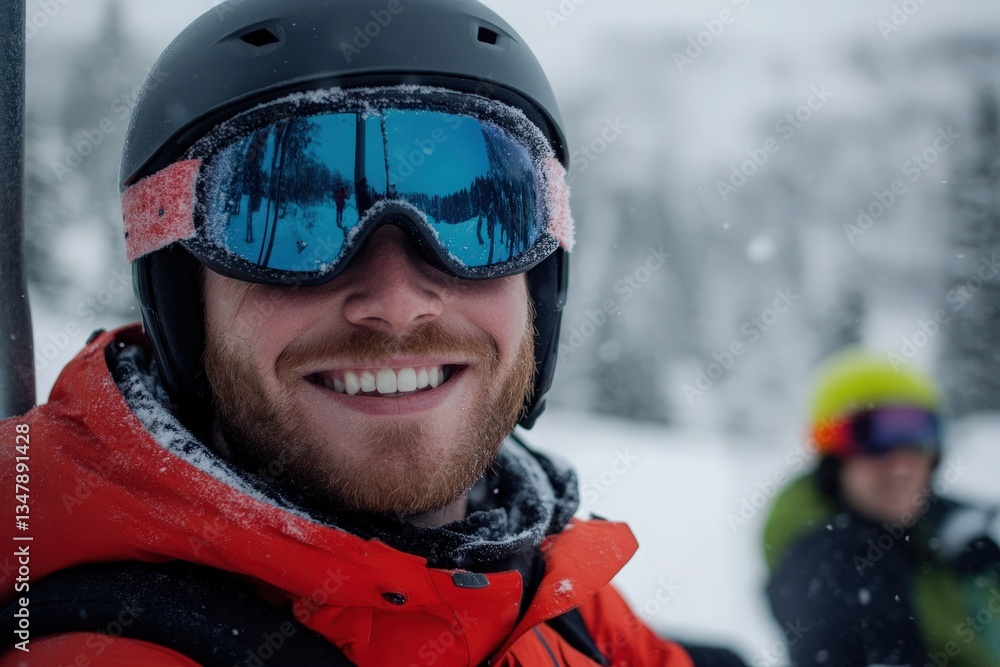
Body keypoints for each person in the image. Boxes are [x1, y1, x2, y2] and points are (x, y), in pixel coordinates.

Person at [0, 1, 698, 665]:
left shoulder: (555, 596)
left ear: (538, 280)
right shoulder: (107, 641)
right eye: (290, 218)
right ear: (184, 297)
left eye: (477, 214)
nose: (397, 303)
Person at [763, 350, 1000, 666]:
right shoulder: (827, 561)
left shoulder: (948, 529)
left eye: (917, 436)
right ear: (834, 458)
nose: (900, 465)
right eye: (873, 438)